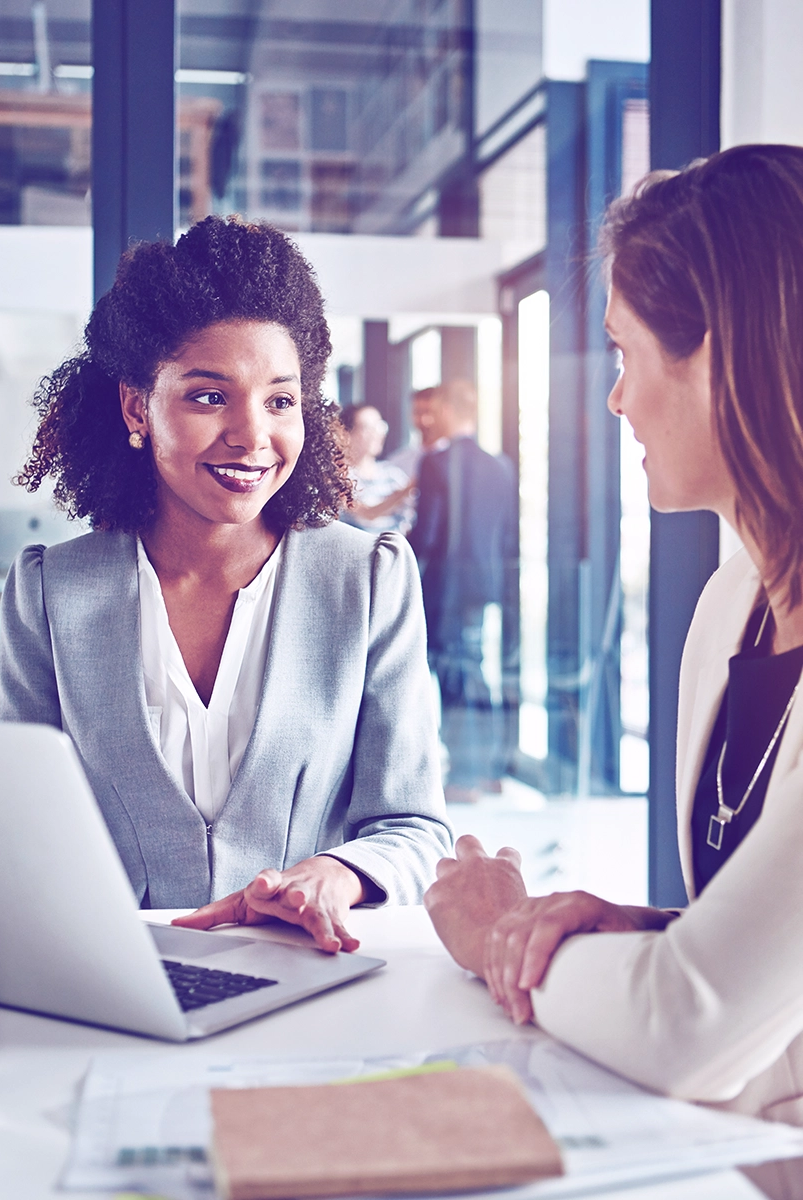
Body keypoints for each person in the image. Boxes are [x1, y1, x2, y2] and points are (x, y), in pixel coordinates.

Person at [424, 145, 803, 1194]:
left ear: (730, 357)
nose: (616, 400)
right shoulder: (730, 609)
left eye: (626, 355)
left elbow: (689, 1027)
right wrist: (664, 931)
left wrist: (495, 931)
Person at [0, 215, 452, 954]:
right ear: (136, 406)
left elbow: (416, 827)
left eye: (280, 400)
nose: (252, 435)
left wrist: (340, 874)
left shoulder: (366, 581)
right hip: (119, 981)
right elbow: (20, 830)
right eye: (210, 396)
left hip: (311, 978)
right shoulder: (53, 594)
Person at [408, 380, 518, 801]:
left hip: (445, 582)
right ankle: (491, 766)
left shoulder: (436, 463)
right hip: (485, 583)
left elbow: (429, 531)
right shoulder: (501, 466)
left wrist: (400, 556)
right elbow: (506, 533)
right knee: (476, 669)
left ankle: (463, 775)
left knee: (452, 670)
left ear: (450, 412)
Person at [338, 403, 414, 533]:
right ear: (346, 434)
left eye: (379, 427)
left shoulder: (393, 475)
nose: (376, 434)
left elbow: (411, 518)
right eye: (367, 428)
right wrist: (407, 489)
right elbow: (367, 514)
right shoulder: (341, 478)